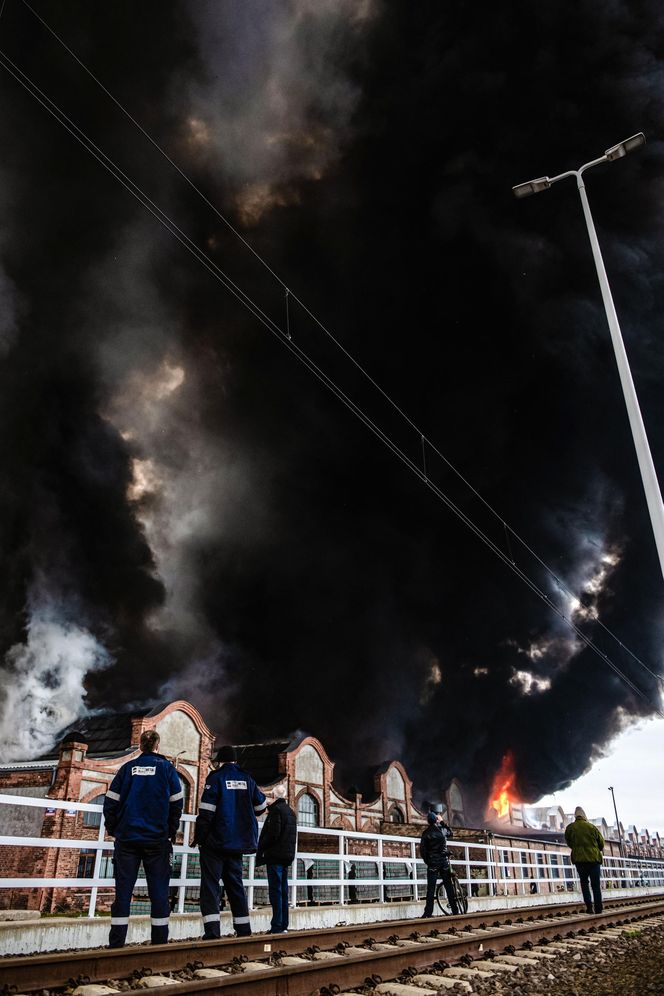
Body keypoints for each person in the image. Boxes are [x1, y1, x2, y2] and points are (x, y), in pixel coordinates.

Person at [103, 729, 183, 948]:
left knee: (123, 893)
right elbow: (177, 804)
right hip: (157, 841)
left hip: (127, 839)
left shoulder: (127, 769)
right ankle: (159, 943)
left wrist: (114, 828)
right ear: (157, 746)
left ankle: (117, 943)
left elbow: (110, 802)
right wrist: (170, 831)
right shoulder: (167, 769)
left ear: (140, 746)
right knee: (158, 892)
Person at [194, 745, 267, 938]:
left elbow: (206, 813)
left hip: (216, 844)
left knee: (210, 886)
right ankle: (243, 930)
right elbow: (261, 807)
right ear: (235, 761)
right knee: (236, 886)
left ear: (220, 761)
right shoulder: (247, 779)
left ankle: (212, 932)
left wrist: (199, 838)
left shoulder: (215, 778)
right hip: (237, 845)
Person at [255, 784, 297, 934]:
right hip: (286, 856)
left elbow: (273, 834)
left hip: (275, 856)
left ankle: (277, 926)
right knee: (283, 892)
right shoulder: (291, 812)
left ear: (273, 797)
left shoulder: (276, 811)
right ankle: (283, 924)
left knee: (276, 891)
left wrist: (262, 848)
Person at [564, 805, 604, 913]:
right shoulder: (592, 827)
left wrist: (577, 849)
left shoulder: (570, 828)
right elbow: (601, 843)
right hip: (594, 859)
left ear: (575, 816)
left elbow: (569, 842)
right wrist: (595, 849)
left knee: (584, 883)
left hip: (579, 860)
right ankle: (598, 908)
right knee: (595, 885)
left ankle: (589, 908)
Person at [419, 810, 458, 917]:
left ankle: (428, 913)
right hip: (444, 862)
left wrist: (429, 861)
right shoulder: (442, 831)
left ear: (428, 821)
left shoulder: (425, 833)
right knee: (448, 886)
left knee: (431, 889)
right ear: (436, 820)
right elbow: (451, 833)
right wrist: (442, 822)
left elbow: (423, 851)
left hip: (432, 864)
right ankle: (455, 910)